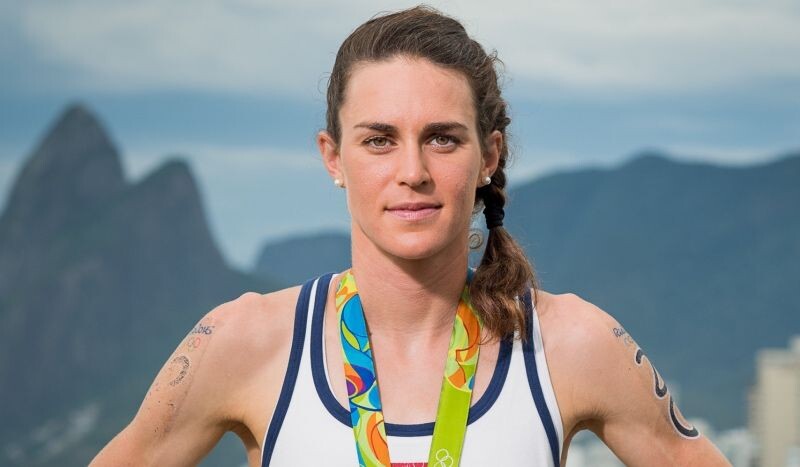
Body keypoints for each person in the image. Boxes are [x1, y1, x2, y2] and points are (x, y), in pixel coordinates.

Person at [92, 5, 730, 466]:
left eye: (442, 138)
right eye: (379, 140)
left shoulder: (570, 344)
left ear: (489, 156)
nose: (413, 172)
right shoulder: (246, 342)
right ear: (333, 157)